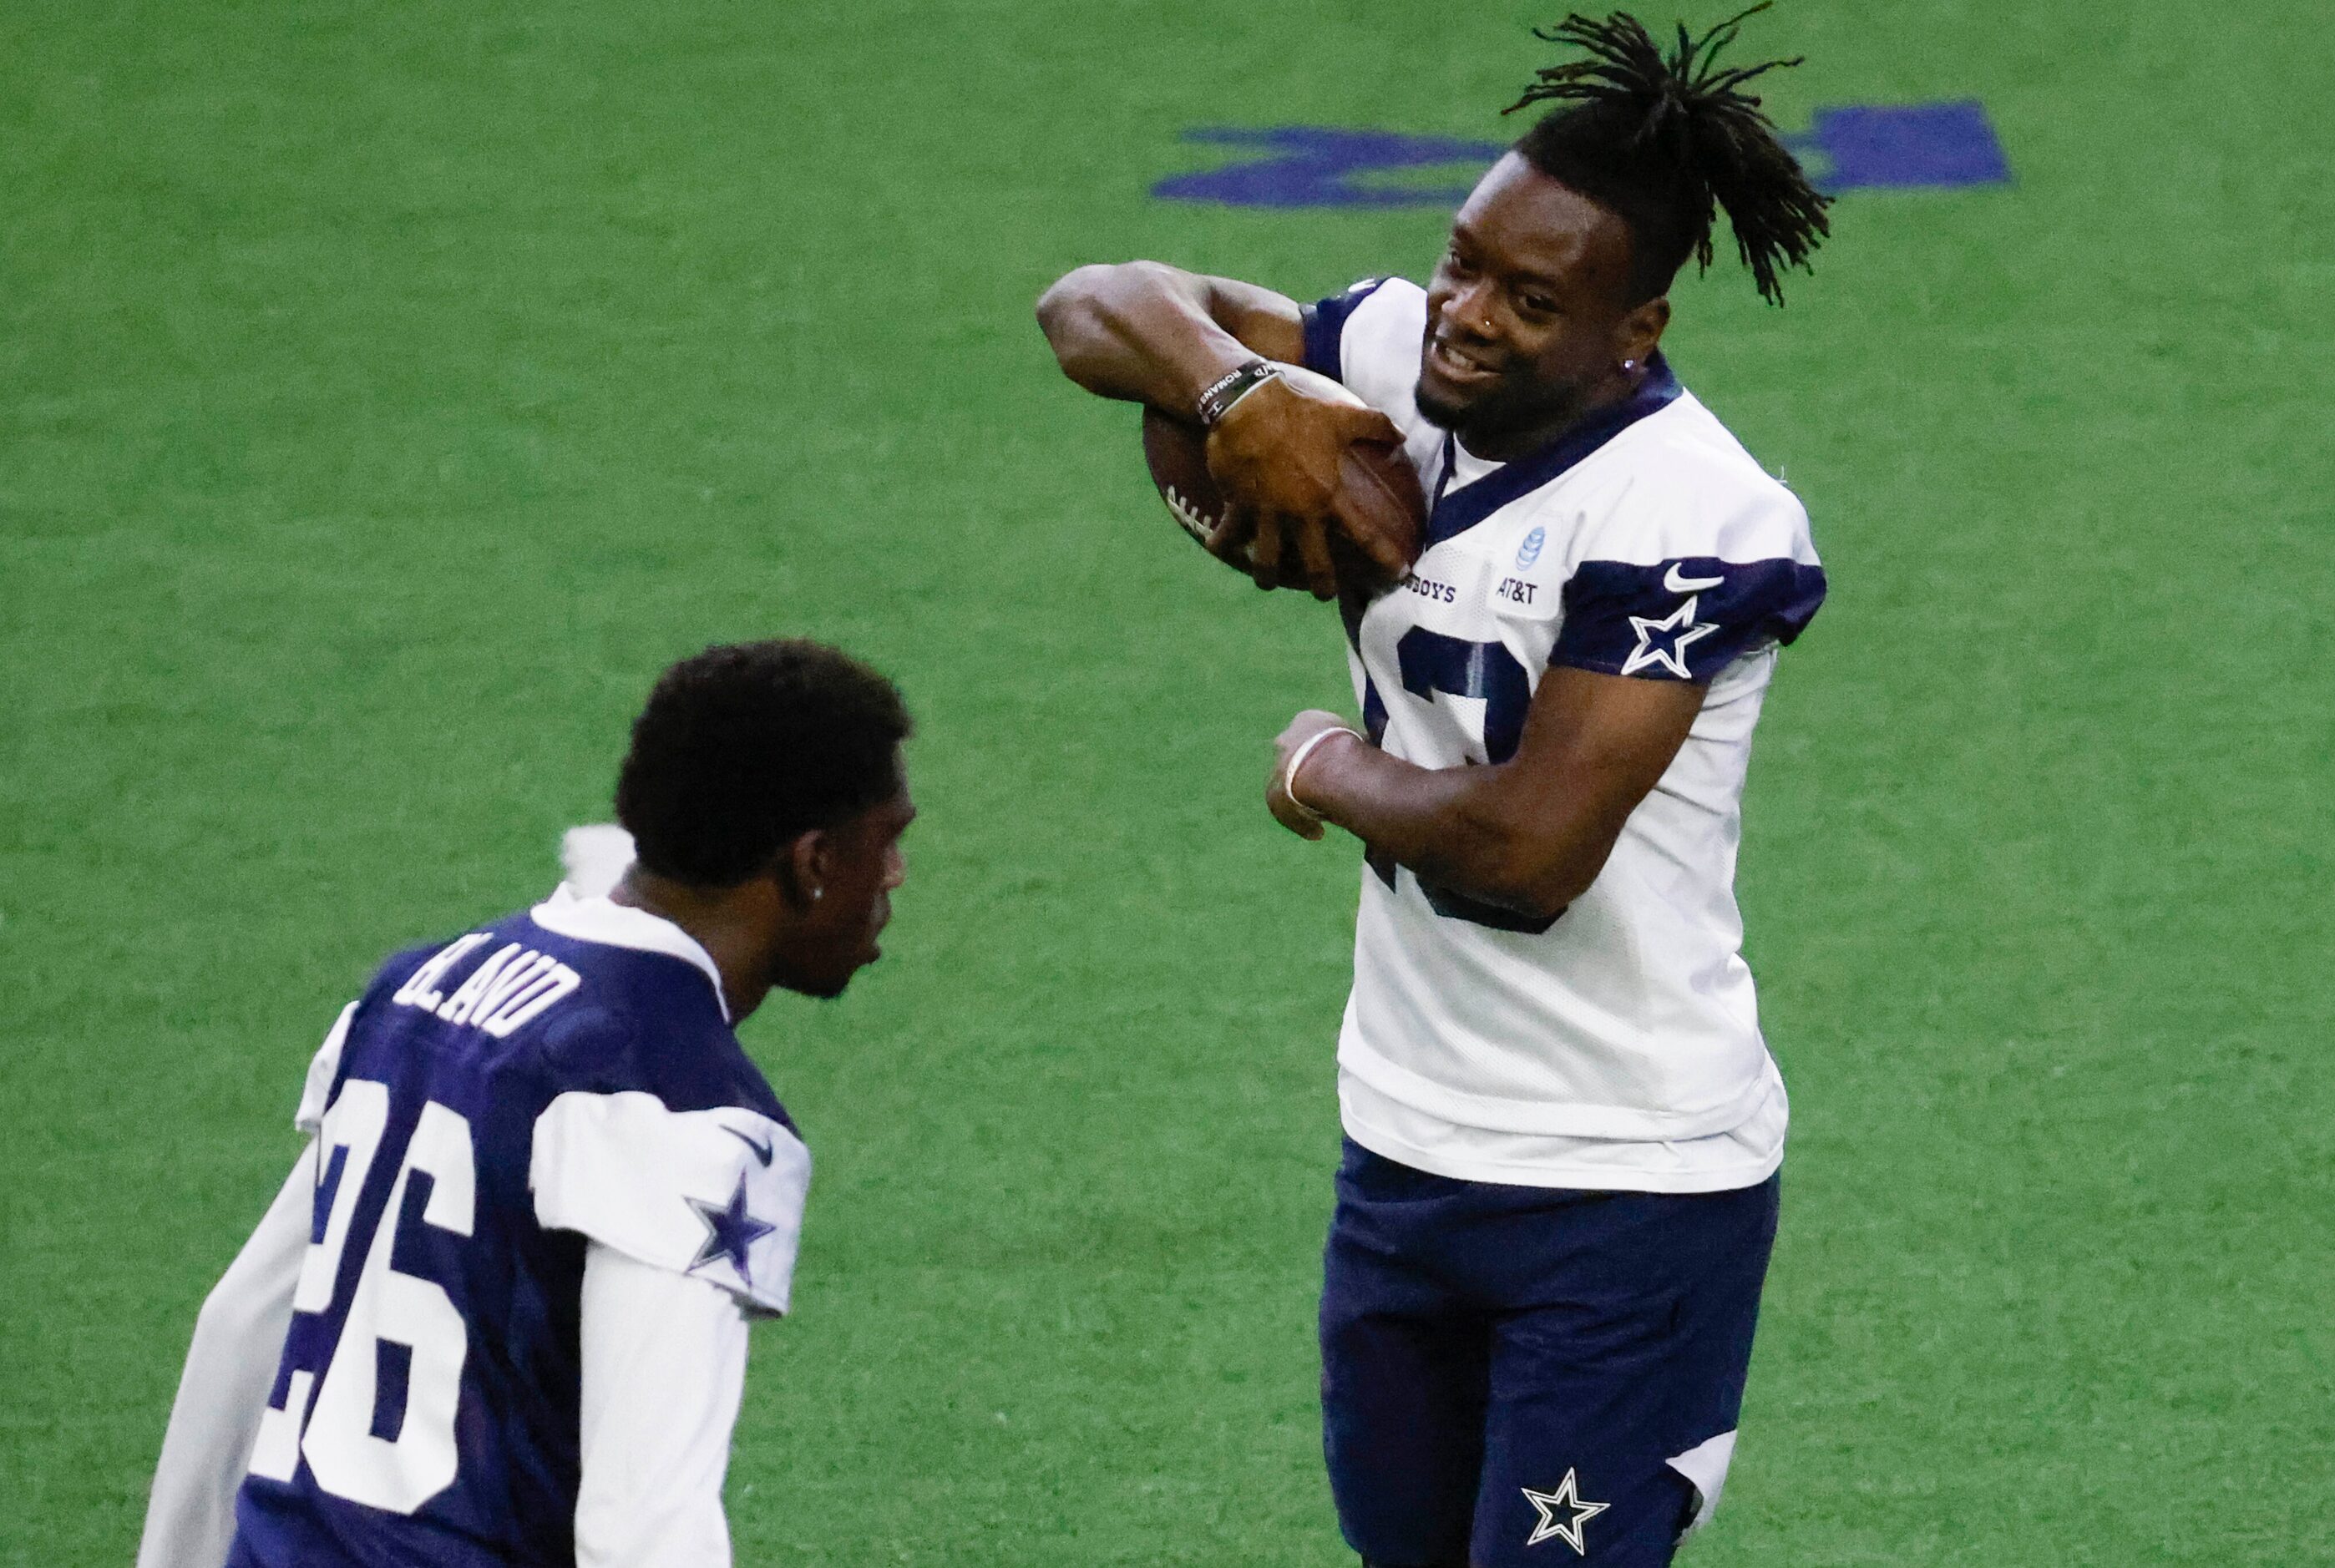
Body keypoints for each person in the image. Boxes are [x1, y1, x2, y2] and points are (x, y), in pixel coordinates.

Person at [1036, 9, 1831, 1564]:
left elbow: (1527, 850)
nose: (1460, 317)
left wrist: (1320, 762)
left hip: (1625, 1184)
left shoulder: (1698, 515)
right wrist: (1233, 398)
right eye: (1459, 260)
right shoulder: (1406, 357)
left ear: (1634, 330)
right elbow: (1093, 306)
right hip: (1401, 1144)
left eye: (1527, 301)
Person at [135, 639, 916, 1568]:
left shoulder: (418, 987)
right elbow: (645, 1526)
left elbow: (241, 1325)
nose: (898, 876)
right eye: (891, 841)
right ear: (814, 862)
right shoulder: (684, 1113)